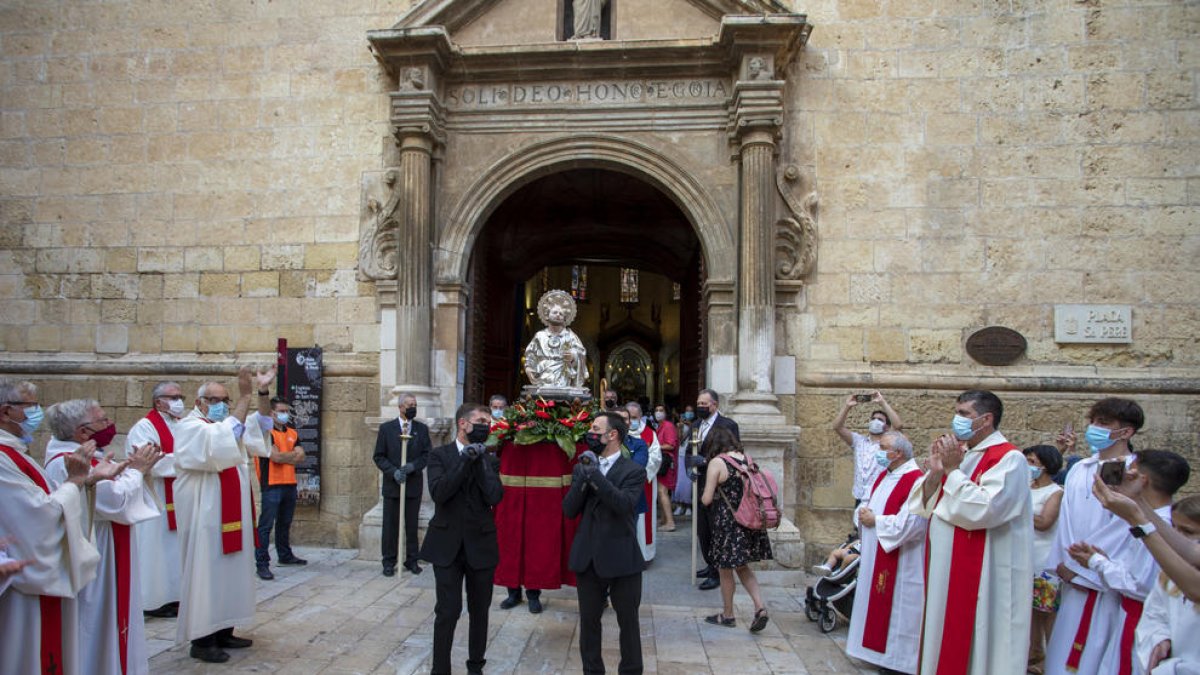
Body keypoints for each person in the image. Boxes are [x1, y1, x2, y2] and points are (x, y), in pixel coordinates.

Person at [908, 390, 1032, 674]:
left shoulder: (1009, 459)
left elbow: (985, 510)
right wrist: (938, 471)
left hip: (985, 573)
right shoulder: (962, 455)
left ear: (986, 419)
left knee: (981, 642)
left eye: (964, 414)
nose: (957, 420)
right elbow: (924, 504)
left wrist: (952, 471)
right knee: (943, 633)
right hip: (945, 568)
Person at [43, 399, 163, 675]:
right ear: (82, 432)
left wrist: (129, 469)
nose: (110, 425)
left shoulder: (79, 454)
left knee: (109, 618)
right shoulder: (69, 462)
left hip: (106, 539)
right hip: (98, 544)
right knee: (98, 619)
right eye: (103, 421)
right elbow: (115, 503)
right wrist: (137, 470)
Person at [0, 378, 107, 675]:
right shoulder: (2, 458)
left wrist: (86, 482)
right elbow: (39, 515)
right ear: (6, 412)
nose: (38, 412)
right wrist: (75, 481)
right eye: (31, 406)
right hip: (23, 586)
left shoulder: (16, 452)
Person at [174, 367, 274, 663]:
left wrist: (262, 393)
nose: (221, 404)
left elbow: (264, 425)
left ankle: (224, 630)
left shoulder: (227, 426)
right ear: (199, 402)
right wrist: (244, 396)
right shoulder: (190, 427)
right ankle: (202, 640)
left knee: (231, 572)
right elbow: (224, 436)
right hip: (205, 518)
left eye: (226, 400)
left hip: (232, 517)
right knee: (208, 575)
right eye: (215, 399)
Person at [1062, 450, 1190, 675]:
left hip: (1141, 620)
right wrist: (1104, 560)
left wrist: (1096, 562)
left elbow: (1141, 585)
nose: (1124, 474)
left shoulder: (1163, 524)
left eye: (1131, 470)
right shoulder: (1151, 516)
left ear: (1142, 480)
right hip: (1130, 614)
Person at [1044, 398, 1143, 675]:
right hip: (1071, 574)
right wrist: (1063, 563)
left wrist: (1089, 568)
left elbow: (1125, 527)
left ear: (1126, 432)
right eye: (1093, 422)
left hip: (1106, 581)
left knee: (1097, 654)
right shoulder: (1080, 468)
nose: (1094, 428)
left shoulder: (1134, 473)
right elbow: (1066, 519)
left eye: (1104, 423)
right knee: (1061, 651)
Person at [420, 404, 504, 675]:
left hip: (481, 544)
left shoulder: (490, 459)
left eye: (487, 422)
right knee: (448, 610)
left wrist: (478, 461)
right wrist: (464, 459)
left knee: (480, 611)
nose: (485, 426)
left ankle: (476, 666)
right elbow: (440, 493)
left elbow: (494, 496)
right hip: (446, 544)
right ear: (462, 424)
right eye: (480, 420)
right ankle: (440, 669)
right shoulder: (439, 456)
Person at [563, 411, 645, 675]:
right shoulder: (581, 467)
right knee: (589, 623)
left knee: (628, 623)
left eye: (596, 429)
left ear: (613, 435)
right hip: (588, 556)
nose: (591, 434)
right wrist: (583, 478)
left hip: (622, 557)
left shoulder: (633, 470)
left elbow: (623, 505)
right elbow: (569, 509)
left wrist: (595, 476)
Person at [846, 431, 926, 674]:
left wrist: (876, 521)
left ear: (898, 453)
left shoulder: (916, 481)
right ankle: (874, 653)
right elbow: (867, 502)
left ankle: (895, 661)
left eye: (882, 448)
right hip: (874, 551)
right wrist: (862, 514)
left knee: (898, 610)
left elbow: (914, 524)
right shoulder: (885, 474)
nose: (878, 452)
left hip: (900, 560)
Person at [699, 426, 772, 632]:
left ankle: (728, 614)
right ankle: (760, 607)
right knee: (743, 567)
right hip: (749, 520)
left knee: (725, 570)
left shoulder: (718, 462)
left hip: (727, 523)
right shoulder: (746, 459)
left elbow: (706, 499)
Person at [126, 380, 187, 618]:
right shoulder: (144, 427)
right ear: (158, 401)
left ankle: (175, 595)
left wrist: (179, 457)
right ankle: (152, 599)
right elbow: (153, 462)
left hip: (177, 493)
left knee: (173, 548)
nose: (178, 401)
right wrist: (186, 460)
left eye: (180, 396)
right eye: (173, 397)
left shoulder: (180, 423)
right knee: (155, 548)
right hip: (156, 494)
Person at [1134, 495, 1200, 673]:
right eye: (1173, 529)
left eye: (1188, 532)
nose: (1175, 538)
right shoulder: (1168, 577)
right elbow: (1155, 614)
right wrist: (1160, 639)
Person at [372, 393, 431, 577]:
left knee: (411, 524)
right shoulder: (387, 429)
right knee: (390, 525)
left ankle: (412, 559)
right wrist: (393, 472)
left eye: (414, 404)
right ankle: (389, 561)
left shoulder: (421, 429)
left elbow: (427, 454)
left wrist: (413, 466)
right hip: (393, 485)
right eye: (409, 404)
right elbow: (379, 456)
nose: (412, 407)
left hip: (412, 485)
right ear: (400, 407)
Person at [687, 388, 739, 591]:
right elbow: (690, 451)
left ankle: (717, 573)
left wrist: (706, 461)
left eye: (704, 404)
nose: (700, 407)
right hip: (699, 484)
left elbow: (732, 453)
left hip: (719, 488)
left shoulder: (728, 425)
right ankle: (710, 564)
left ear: (714, 405)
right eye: (698, 403)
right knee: (703, 530)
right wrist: (689, 467)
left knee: (715, 529)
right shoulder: (696, 425)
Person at [254, 397, 307, 580]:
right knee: (266, 525)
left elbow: (302, 456)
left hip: (289, 483)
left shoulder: (292, 432)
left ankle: (285, 555)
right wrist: (291, 455)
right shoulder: (266, 432)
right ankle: (261, 563)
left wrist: (286, 456)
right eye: (281, 411)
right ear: (271, 413)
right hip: (271, 484)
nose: (285, 415)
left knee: (285, 523)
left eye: (287, 411)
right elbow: (275, 458)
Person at [1025, 444, 1064, 674]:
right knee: (1028, 611)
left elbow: (1045, 521)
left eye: (1032, 461)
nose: (1028, 466)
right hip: (1025, 557)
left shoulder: (1055, 492)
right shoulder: (1025, 488)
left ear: (1046, 465)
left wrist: (1017, 509)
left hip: (1044, 560)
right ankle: (1032, 654)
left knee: (1046, 612)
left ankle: (1051, 659)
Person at [832, 391, 903, 508]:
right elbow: (837, 427)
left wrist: (882, 402)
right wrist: (847, 406)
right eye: (873, 418)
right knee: (858, 526)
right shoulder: (858, 441)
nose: (875, 421)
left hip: (879, 496)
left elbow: (898, 425)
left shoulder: (889, 443)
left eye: (880, 420)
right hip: (860, 496)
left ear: (887, 426)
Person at [524, 289, 588, 389]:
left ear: (565, 318)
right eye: (555, 312)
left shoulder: (570, 336)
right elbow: (531, 354)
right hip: (543, 374)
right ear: (547, 316)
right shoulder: (540, 336)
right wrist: (528, 367)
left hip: (563, 374)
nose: (558, 315)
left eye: (561, 314)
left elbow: (581, 353)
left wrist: (573, 356)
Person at [626, 401, 661, 562]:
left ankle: (644, 554)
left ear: (640, 417)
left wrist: (640, 474)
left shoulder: (649, 434)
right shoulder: (618, 433)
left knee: (643, 519)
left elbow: (656, 457)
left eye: (635, 417)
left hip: (644, 482)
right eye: (629, 417)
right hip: (623, 484)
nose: (632, 420)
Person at [653, 404, 678, 532]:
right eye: (656, 410)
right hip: (663, 462)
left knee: (662, 491)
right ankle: (664, 519)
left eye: (661, 410)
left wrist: (653, 446)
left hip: (667, 462)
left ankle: (670, 522)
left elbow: (670, 445)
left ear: (666, 413)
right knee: (660, 492)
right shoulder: (661, 426)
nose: (658, 412)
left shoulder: (668, 426)